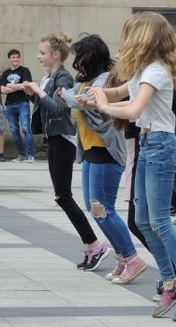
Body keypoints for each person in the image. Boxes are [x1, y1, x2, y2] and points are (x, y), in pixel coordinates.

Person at [89, 12, 176, 321]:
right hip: (149, 144)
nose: (126, 41)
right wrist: (99, 95)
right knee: (142, 220)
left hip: (161, 145)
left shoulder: (157, 71)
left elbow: (134, 108)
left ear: (144, 39)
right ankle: (170, 282)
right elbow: (120, 93)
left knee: (159, 222)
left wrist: (103, 106)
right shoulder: (145, 68)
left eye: (131, 35)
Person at [57, 34, 147, 284]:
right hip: (89, 148)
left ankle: (132, 259)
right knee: (94, 208)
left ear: (91, 57)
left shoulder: (106, 78)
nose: (77, 62)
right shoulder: (89, 79)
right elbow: (75, 97)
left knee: (102, 208)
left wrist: (67, 96)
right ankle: (122, 256)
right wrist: (69, 96)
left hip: (106, 149)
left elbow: (83, 101)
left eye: (80, 56)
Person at [24, 32, 110, 271]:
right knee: (61, 196)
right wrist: (33, 94)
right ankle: (93, 245)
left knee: (63, 196)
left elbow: (59, 109)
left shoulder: (63, 77)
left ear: (56, 55)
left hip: (63, 140)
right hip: (54, 138)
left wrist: (39, 92)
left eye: (42, 53)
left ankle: (95, 245)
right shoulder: (49, 77)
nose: (39, 56)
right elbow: (44, 106)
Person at [1, 49, 35, 162]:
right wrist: (18, 86)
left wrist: (10, 85)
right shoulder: (5, 73)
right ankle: (21, 155)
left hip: (23, 103)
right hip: (10, 105)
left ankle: (30, 155)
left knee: (25, 129)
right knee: (14, 131)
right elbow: (2, 90)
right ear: (10, 59)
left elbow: (25, 86)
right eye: (13, 57)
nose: (15, 59)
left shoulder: (25, 70)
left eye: (17, 57)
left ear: (19, 58)